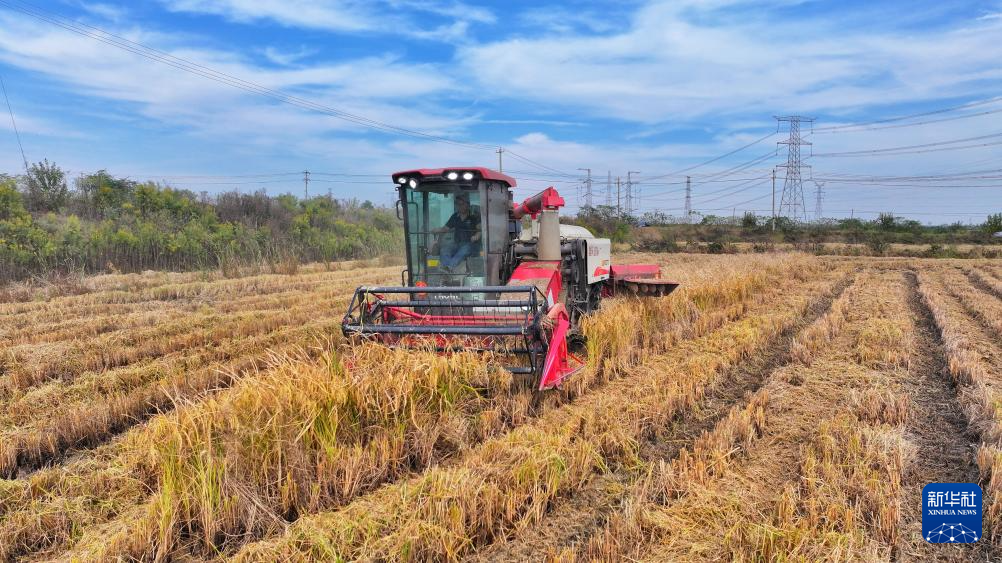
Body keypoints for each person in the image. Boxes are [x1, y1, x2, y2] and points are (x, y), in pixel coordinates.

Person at [433, 193, 481, 270]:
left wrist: (476, 236)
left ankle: (450, 267)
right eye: (458, 204)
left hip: (472, 245)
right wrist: (435, 230)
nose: (460, 206)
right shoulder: (455, 216)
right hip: (457, 244)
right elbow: (445, 229)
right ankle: (446, 268)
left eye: (462, 204)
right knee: (445, 249)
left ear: (467, 205)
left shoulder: (474, 216)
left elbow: (480, 230)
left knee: (465, 249)